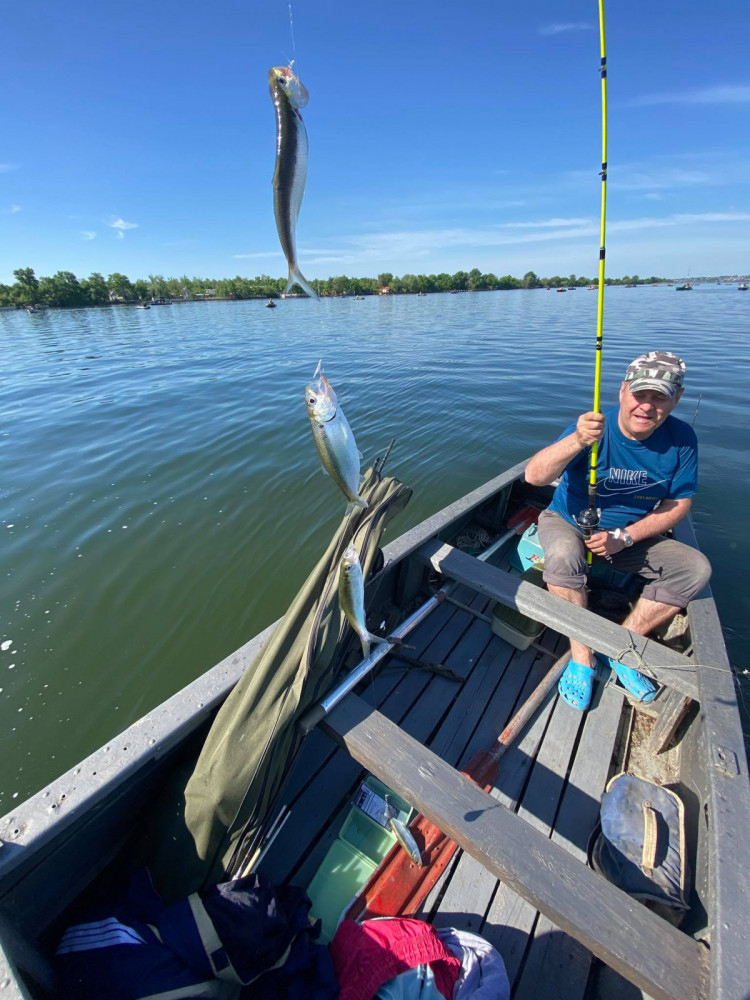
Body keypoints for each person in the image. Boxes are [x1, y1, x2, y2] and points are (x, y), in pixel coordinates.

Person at [524, 351, 711, 711]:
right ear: (623, 391)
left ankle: (622, 649)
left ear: (678, 399)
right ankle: (583, 657)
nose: (646, 406)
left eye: (660, 397)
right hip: (567, 520)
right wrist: (577, 440)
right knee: (563, 557)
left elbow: (678, 505)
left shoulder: (683, 439)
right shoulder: (594, 427)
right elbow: (534, 476)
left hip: (628, 535)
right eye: (640, 394)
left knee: (696, 569)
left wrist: (625, 536)